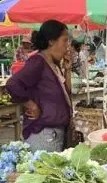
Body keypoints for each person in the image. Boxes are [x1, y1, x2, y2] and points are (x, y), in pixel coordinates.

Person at [6, 20, 73, 152]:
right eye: (65, 40)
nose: (67, 46)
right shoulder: (38, 62)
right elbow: (12, 84)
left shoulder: (54, 64)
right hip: (44, 134)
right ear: (51, 41)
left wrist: (68, 70)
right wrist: (31, 105)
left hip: (56, 133)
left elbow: (67, 94)